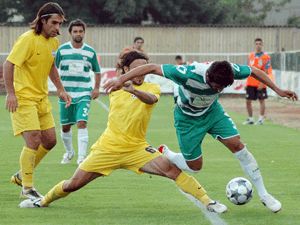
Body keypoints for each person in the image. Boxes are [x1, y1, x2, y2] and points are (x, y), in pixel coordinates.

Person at [19, 51, 227, 214]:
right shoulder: (115, 87)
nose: (142, 73)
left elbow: (151, 100)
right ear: (127, 69)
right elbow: (109, 82)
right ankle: (42, 201)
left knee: (172, 170)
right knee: (74, 184)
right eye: (137, 69)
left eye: (145, 69)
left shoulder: (151, 88)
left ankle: (209, 201)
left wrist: (133, 89)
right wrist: (118, 82)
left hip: (136, 148)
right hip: (108, 148)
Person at [103, 60, 297, 213]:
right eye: (216, 86)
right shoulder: (187, 74)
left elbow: (254, 70)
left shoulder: (227, 70)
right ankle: (169, 154)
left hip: (213, 113)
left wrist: (277, 90)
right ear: (208, 78)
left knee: (237, 145)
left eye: (223, 87)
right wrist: (120, 80)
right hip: (187, 119)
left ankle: (264, 194)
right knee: (195, 166)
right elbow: (152, 67)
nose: (219, 90)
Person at [3, 2, 71, 199]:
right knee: (33, 138)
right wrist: (11, 93)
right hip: (23, 97)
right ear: (43, 21)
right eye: (55, 23)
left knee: (50, 141)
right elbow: (9, 64)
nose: (58, 29)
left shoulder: (53, 43)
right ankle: (27, 187)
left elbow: (50, 66)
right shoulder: (27, 39)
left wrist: (60, 89)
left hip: (41, 98)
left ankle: (21, 175)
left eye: (60, 24)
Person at [55, 19, 101, 165]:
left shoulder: (90, 51)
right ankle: (69, 152)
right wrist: (59, 89)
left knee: (82, 122)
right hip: (66, 94)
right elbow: (53, 70)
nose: (78, 34)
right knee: (66, 126)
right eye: (75, 31)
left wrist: (96, 88)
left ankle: (81, 157)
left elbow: (97, 72)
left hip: (83, 93)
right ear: (70, 33)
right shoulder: (61, 50)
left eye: (81, 31)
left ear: (84, 33)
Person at [243, 38, 273, 125]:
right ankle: (250, 119)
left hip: (260, 83)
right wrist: (246, 82)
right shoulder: (251, 56)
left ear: (262, 45)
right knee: (248, 101)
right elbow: (248, 69)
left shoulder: (266, 57)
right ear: (254, 45)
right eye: (256, 44)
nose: (258, 45)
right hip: (250, 82)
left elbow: (267, 71)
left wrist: (263, 82)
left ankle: (260, 119)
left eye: (260, 44)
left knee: (261, 100)